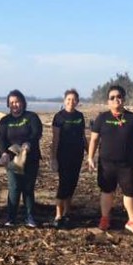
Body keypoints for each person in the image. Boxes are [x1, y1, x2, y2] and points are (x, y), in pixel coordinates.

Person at [87, 85, 133, 234]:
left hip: (127, 164)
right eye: (112, 97)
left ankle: (132, 221)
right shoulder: (102, 118)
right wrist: (90, 158)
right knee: (107, 191)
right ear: (108, 101)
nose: (116, 100)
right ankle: (105, 218)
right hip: (106, 164)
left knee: (130, 192)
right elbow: (94, 140)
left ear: (124, 99)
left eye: (119, 96)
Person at [0, 89, 43, 227]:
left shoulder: (31, 117)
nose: (14, 105)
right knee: (14, 187)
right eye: (11, 103)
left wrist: (28, 143)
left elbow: (36, 133)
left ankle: (30, 217)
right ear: (8, 105)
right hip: (12, 159)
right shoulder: (5, 121)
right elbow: (1, 139)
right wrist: (4, 153)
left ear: (22, 102)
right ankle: (11, 217)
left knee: (28, 188)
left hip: (30, 157)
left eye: (17, 102)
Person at [50, 89, 86, 229]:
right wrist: (53, 158)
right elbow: (55, 139)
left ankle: (67, 212)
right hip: (63, 155)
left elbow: (83, 137)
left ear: (77, 101)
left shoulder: (80, 116)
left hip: (77, 155)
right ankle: (58, 215)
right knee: (63, 184)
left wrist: (89, 153)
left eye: (74, 99)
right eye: (69, 99)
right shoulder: (59, 117)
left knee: (72, 183)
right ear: (64, 100)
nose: (71, 102)